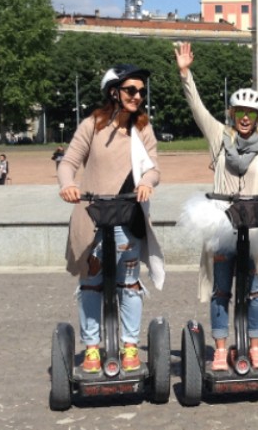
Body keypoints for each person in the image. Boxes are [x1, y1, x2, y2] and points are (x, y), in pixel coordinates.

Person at [174, 42, 258, 371]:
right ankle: (220, 348)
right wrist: (185, 74)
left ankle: (254, 346)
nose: (246, 118)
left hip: (253, 220)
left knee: (254, 289)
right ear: (233, 114)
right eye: (240, 113)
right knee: (221, 288)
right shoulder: (218, 136)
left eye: (251, 114)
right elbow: (197, 109)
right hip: (221, 221)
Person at [58, 64, 165, 374]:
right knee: (91, 283)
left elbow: (154, 167)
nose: (138, 96)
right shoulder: (92, 125)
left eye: (142, 91)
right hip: (92, 214)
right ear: (114, 92)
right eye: (132, 90)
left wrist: (147, 181)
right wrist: (67, 184)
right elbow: (69, 163)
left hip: (126, 215)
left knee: (129, 284)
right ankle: (92, 348)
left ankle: (130, 345)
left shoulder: (142, 128)